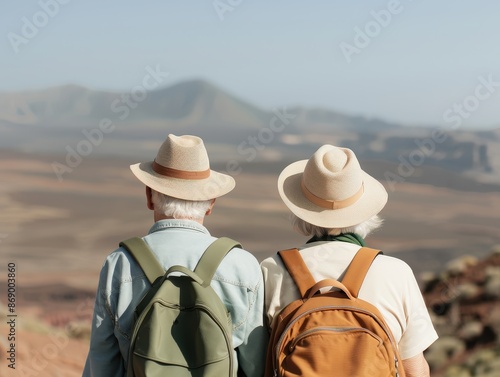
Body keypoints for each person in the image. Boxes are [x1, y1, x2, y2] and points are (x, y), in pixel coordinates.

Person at [83, 134, 268, 377]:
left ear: (149, 196)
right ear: (211, 203)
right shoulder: (242, 265)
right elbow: (255, 364)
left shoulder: (119, 264)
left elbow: (102, 360)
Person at [260, 144, 438, 377]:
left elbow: (257, 360)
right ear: (365, 211)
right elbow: (415, 369)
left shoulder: (271, 269)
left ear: (300, 210)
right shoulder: (397, 273)